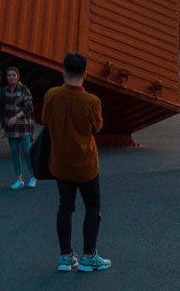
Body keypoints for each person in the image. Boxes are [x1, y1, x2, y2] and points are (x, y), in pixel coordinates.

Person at [41, 52, 111, 273]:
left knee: (65, 208)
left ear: (63, 71)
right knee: (92, 208)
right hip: (86, 165)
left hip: (60, 163)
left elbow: (45, 121)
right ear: (85, 73)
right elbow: (97, 127)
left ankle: (66, 256)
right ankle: (89, 256)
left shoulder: (51, 95)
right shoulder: (92, 101)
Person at [2, 66, 36, 189]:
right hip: (11, 128)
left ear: (18, 76)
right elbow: (2, 111)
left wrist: (16, 117)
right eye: (9, 75)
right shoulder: (4, 91)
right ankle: (19, 179)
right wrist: (3, 128)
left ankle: (33, 176)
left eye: (13, 75)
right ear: (6, 78)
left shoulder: (24, 89)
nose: (11, 77)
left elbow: (29, 107)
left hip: (24, 126)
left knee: (26, 152)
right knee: (15, 154)